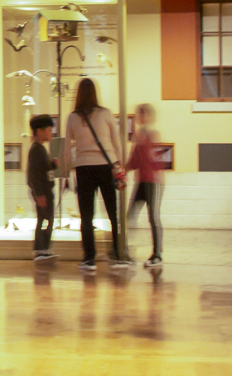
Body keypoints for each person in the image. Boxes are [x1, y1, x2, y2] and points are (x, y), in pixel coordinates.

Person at [64, 77, 125, 272]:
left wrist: (66, 172)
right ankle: (116, 254)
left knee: (86, 215)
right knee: (112, 213)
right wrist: (119, 165)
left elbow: (66, 148)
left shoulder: (73, 117)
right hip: (105, 166)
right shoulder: (105, 114)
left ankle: (89, 258)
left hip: (83, 168)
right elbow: (117, 142)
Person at [126, 103, 164, 266]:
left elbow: (153, 160)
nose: (140, 117)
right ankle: (124, 250)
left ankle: (157, 254)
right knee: (130, 215)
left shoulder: (152, 135)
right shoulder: (140, 135)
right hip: (141, 181)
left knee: (153, 217)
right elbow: (135, 160)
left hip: (153, 182)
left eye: (143, 114)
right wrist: (122, 168)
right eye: (138, 114)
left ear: (149, 116)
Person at [26, 114, 57, 261]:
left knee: (47, 219)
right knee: (44, 219)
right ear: (40, 131)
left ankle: (43, 248)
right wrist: (39, 194)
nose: (51, 133)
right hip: (42, 192)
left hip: (45, 191)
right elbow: (33, 174)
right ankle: (40, 249)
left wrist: (52, 165)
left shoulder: (40, 149)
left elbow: (43, 170)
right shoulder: (36, 150)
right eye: (49, 130)